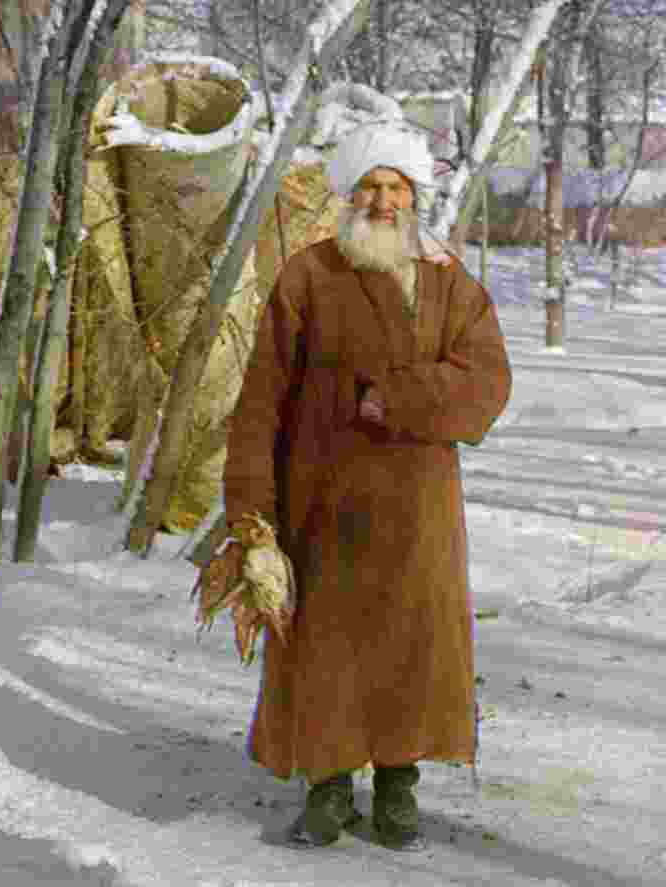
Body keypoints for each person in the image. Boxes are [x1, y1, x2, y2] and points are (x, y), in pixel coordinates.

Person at [198, 122, 512, 851]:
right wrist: (251, 507)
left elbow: (488, 382)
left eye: (396, 187)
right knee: (327, 650)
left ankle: (399, 787)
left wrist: (398, 398)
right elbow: (261, 401)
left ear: (415, 196)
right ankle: (328, 787)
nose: (382, 199)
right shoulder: (308, 275)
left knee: (412, 647)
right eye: (370, 185)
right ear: (348, 193)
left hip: (418, 510)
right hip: (322, 503)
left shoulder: (447, 281)